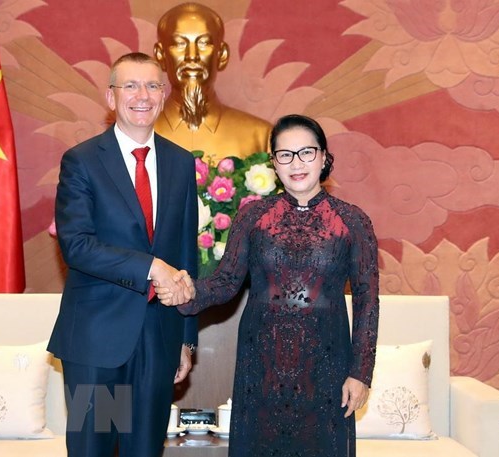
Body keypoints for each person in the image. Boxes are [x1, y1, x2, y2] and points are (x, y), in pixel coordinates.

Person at [157, 114, 379, 456]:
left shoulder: (353, 221)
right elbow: (225, 283)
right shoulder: (253, 217)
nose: (296, 163)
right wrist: (185, 292)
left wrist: (360, 373)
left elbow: (367, 302)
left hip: (327, 365)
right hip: (261, 366)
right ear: (274, 163)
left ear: (323, 157)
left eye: (306, 152)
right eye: (285, 155)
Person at [47, 52, 198, 457]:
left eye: (152, 85)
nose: (142, 95)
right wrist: (151, 267)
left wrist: (186, 340)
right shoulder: (82, 161)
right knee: (93, 449)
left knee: (144, 451)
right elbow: (76, 245)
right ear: (111, 98)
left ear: (165, 96)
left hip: (158, 339)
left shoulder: (182, 163)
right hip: (98, 342)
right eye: (130, 85)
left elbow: (185, 252)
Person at [153, 2, 271, 162]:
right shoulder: (132, 137)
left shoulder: (260, 137)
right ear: (160, 55)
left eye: (203, 43)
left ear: (222, 55)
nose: (192, 56)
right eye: (180, 43)